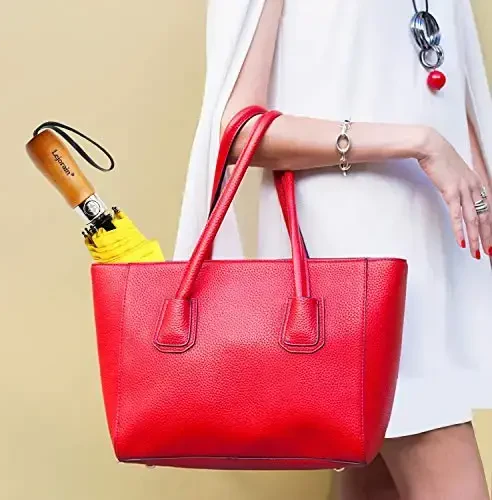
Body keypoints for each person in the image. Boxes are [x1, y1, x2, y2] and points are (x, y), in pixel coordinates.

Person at [174, 1, 492, 497]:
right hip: (352, 267)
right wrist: (419, 142)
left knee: (376, 486)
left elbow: (450, 89)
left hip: (438, 255)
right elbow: (238, 130)